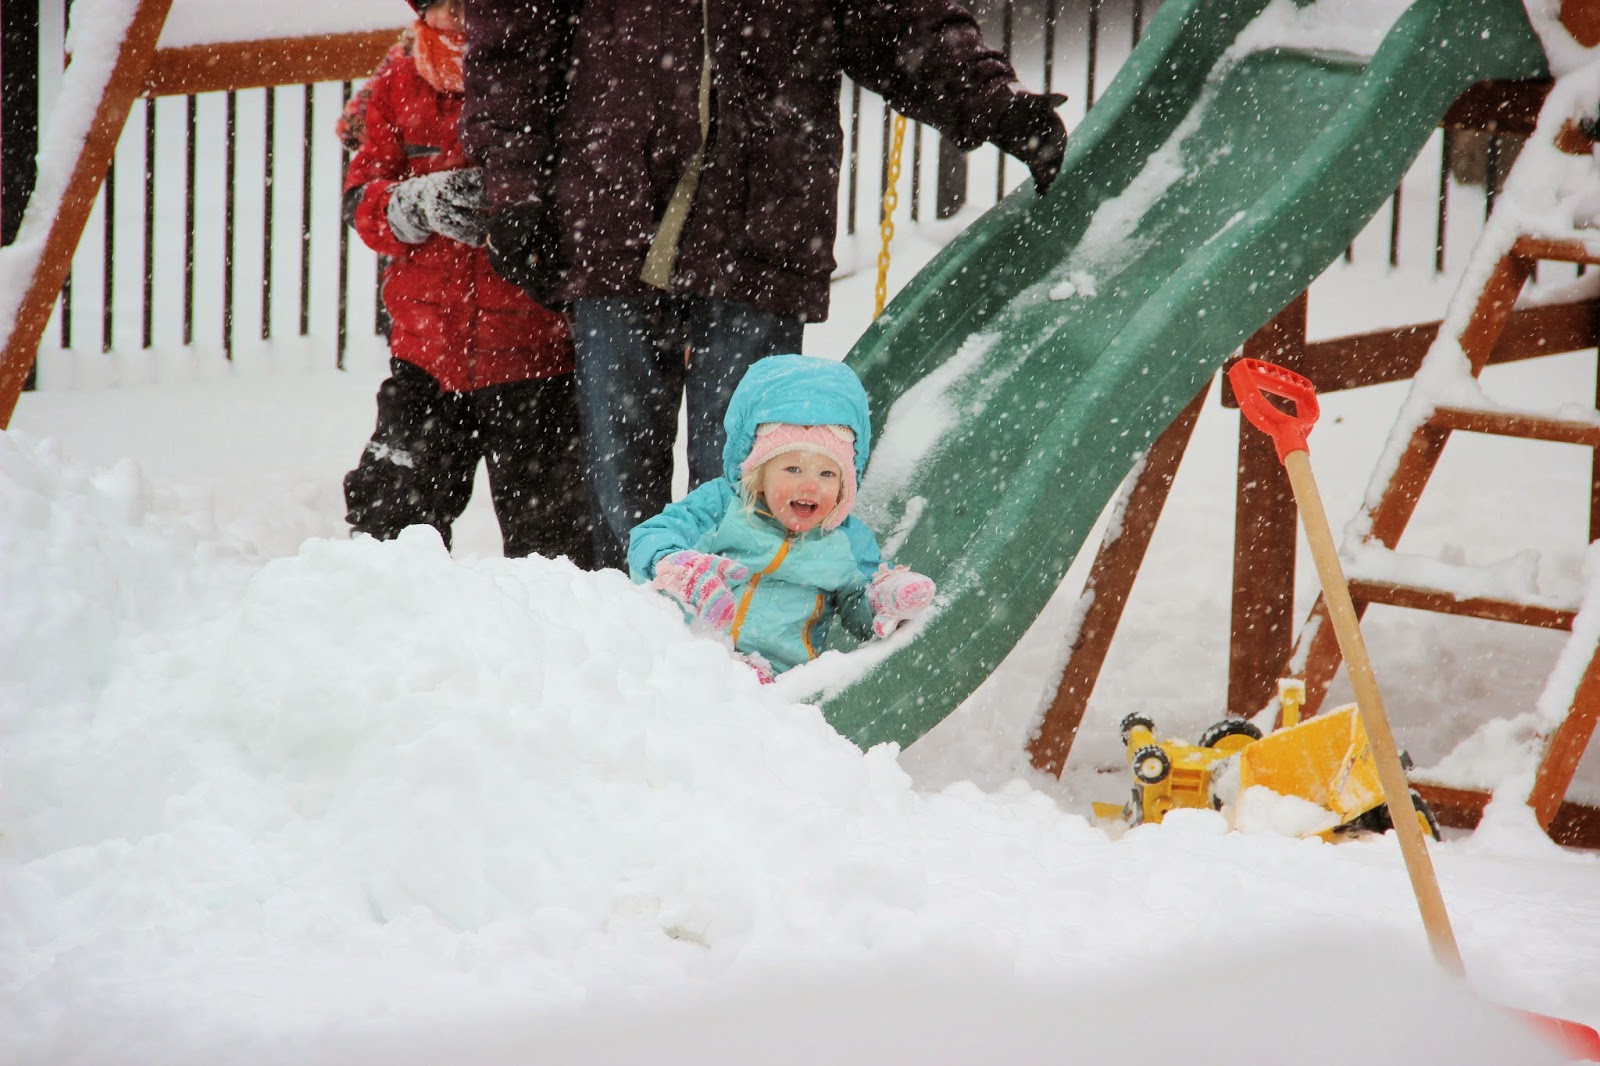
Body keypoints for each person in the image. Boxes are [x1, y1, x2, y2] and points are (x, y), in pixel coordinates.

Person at [461, 1, 1068, 570]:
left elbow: (897, 18)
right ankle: (632, 631)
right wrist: (514, 188)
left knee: (751, 479)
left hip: (759, 221)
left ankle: (735, 634)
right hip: (618, 209)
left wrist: (992, 100)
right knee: (620, 484)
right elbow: (514, 46)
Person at [341, 0, 591, 565]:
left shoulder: (550, 73)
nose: (465, 17)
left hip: (538, 357)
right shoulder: (397, 80)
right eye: (450, 7)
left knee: (553, 549)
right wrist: (416, 202)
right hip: (426, 356)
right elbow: (362, 200)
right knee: (392, 526)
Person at [628, 354, 936, 681]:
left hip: (780, 682)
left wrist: (881, 601)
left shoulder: (847, 540)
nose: (810, 485)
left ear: (846, 482)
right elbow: (652, 535)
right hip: (693, 660)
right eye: (792, 468)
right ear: (759, 471)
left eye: (828, 473)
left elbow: (858, 607)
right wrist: (679, 564)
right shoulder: (722, 506)